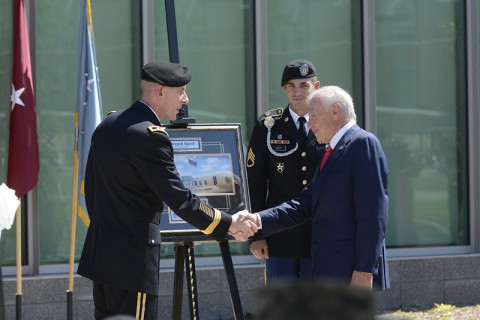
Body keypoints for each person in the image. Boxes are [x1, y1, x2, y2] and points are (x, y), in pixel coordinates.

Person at [77, 60, 257, 320]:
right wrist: (227, 223)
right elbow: (180, 199)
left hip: (102, 255)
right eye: (180, 91)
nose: (185, 99)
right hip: (132, 263)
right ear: (160, 91)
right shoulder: (150, 137)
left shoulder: (108, 125)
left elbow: (92, 192)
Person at [243, 85, 390, 290]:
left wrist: (364, 271)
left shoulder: (362, 144)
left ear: (336, 111)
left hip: (350, 274)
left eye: (313, 116)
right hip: (329, 271)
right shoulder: (331, 150)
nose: (309, 124)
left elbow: (373, 217)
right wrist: (258, 220)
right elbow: (304, 204)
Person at [246, 59, 322, 284]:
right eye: (291, 86)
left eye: (303, 85)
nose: (297, 92)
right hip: (279, 234)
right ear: (284, 90)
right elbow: (255, 183)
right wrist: (257, 235)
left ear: (316, 87)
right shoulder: (269, 126)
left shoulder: (328, 121)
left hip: (318, 233)